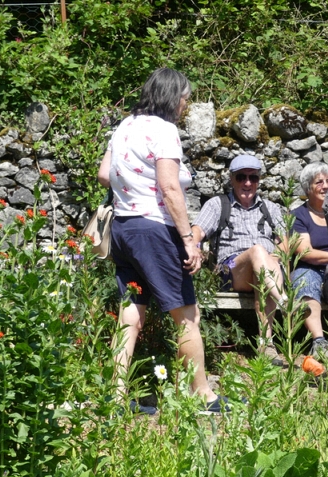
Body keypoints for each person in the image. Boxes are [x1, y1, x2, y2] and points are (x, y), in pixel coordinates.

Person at [97, 67, 227, 415]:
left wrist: (132, 187)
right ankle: (201, 395)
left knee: (130, 314)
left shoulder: (125, 125)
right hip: (155, 231)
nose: (186, 104)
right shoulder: (164, 131)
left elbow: (103, 174)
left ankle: (115, 393)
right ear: (172, 97)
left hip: (124, 230)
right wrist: (188, 239)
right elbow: (170, 188)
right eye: (185, 97)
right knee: (186, 315)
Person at [192, 155, 286, 363]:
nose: (247, 183)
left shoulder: (271, 208)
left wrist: (275, 257)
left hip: (266, 268)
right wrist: (194, 245)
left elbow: (285, 243)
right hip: (231, 267)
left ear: (259, 180)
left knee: (263, 264)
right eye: (241, 177)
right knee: (257, 251)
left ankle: (266, 345)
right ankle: (285, 302)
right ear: (232, 179)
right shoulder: (218, 205)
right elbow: (198, 229)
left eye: (253, 178)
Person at [291, 162, 328, 357]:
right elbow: (304, 252)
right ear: (308, 188)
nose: (326, 186)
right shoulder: (299, 216)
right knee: (304, 280)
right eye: (319, 182)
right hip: (311, 266)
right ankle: (319, 340)